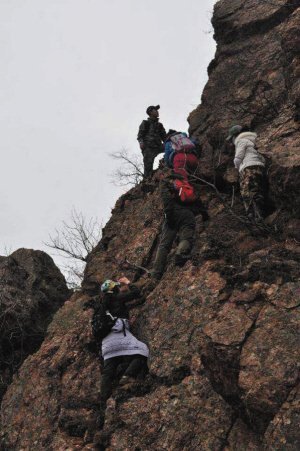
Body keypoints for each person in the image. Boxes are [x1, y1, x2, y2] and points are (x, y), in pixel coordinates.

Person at [96, 277, 149, 428]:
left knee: (107, 373)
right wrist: (127, 282)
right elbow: (136, 292)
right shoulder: (117, 297)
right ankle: (128, 376)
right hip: (120, 338)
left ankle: (102, 408)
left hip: (107, 344)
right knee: (141, 351)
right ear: (115, 289)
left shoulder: (101, 305)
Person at [152, 170, 209, 280]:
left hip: (173, 212)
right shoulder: (183, 181)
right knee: (186, 236)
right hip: (188, 214)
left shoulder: (165, 181)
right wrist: (204, 214)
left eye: (158, 177)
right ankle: (180, 253)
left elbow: (166, 198)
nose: (159, 180)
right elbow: (196, 198)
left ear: (162, 175)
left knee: (164, 245)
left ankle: (156, 273)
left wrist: (168, 216)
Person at [226, 125, 267, 220]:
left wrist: (238, 168)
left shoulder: (241, 141)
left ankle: (255, 216)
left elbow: (238, 158)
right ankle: (261, 214)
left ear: (235, 135)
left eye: (232, 137)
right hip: (260, 168)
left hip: (248, 168)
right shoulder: (254, 141)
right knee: (258, 191)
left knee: (248, 192)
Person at [137, 105, 167, 179]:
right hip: (149, 147)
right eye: (155, 110)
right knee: (148, 169)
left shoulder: (159, 125)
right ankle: (147, 182)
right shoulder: (145, 123)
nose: (157, 111)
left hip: (159, 146)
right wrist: (141, 143)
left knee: (171, 147)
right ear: (150, 112)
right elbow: (140, 135)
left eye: (157, 110)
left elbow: (165, 138)